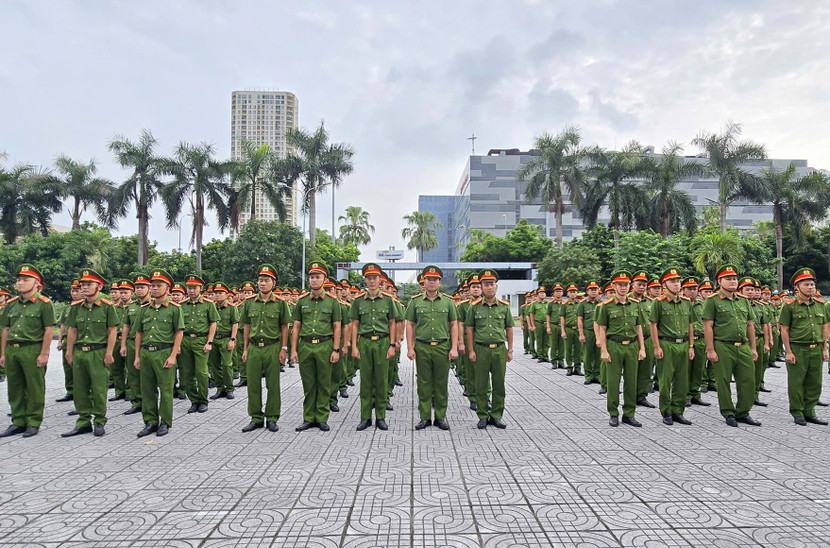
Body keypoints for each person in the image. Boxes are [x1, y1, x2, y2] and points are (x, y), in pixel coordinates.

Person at [61, 269, 119, 437]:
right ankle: (83, 421)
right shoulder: (76, 307)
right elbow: (72, 330)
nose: (84, 288)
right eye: (82, 285)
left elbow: (112, 331)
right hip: (80, 352)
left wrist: (109, 353)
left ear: (99, 286)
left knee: (99, 389)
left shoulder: (107, 306)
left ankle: (99, 421)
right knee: (80, 389)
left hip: (98, 352)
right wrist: (69, 352)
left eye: (88, 284)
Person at [0, 264, 56, 438]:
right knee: (14, 387)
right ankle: (18, 421)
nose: (20, 283)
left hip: (32, 349)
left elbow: (49, 329)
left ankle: (33, 421)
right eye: (18, 280)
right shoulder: (11, 304)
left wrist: (45, 353)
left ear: (36, 283)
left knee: (34, 387)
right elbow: (6, 329)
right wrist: (2, 353)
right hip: (13, 349)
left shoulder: (44, 304)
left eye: (25, 280)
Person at [702, 265, 761, 427]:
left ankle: (743, 411)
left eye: (734, 278)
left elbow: (750, 325)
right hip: (723, 345)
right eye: (728, 279)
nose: (733, 281)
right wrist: (710, 349)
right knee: (724, 381)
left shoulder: (743, 301)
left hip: (743, 346)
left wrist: (753, 348)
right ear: (720, 281)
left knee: (748, 380)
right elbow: (708, 326)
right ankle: (728, 412)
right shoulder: (712, 300)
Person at [406, 265, 459, 430]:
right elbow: (410, 325)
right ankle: (424, 418)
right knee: (423, 383)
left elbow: (454, 325)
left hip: (442, 347)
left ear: (439, 282)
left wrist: (454, 347)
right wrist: (410, 347)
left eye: (435, 279)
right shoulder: (415, 301)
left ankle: (440, 417)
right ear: (424, 281)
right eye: (428, 279)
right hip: (422, 347)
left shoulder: (448, 302)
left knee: (441, 383)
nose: (431, 282)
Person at [291, 264, 342, 432]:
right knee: (308, 383)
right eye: (312, 276)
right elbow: (296, 326)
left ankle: (321, 417)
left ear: (324, 280)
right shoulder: (302, 301)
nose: (314, 279)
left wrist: (335, 349)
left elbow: (336, 326)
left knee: (324, 383)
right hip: (305, 345)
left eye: (318, 276)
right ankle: (308, 417)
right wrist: (293, 350)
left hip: (325, 345)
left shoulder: (332, 302)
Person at [134, 270, 185, 437]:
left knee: (166, 389)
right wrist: (136, 356)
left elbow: (179, 332)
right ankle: (150, 421)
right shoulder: (144, 309)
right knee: (147, 389)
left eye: (159, 286)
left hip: (164, 352)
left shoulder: (174, 309)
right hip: (146, 352)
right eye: (153, 286)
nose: (155, 289)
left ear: (167, 288)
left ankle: (165, 421)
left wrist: (173, 355)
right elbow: (139, 333)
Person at [241, 264, 290, 433]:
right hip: (254, 347)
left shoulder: (280, 303)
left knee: (273, 384)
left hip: (272, 347)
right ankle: (255, 417)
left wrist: (284, 348)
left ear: (273, 283)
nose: (262, 283)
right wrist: (245, 349)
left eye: (266, 280)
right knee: (253, 384)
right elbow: (246, 326)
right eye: (260, 280)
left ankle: (272, 417)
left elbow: (285, 326)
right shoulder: (249, 303)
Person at [778, 268, 830, 426]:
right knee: (797, 382)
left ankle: (810, 411)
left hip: (815, 348)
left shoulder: (821, 305)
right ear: (797, 287)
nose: (810, 287)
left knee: (815, 382)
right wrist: (788, 351)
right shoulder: (789, 306)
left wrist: (825, 348)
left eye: (812, 284)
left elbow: (824, 326)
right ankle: (798, 412)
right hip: (798, 348)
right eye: (806, 284)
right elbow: (784, 329)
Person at [595, 271, 646, 427]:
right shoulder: (606, 306)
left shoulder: (635, 305)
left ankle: (629, 414)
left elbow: (639, 327)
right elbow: (602, 328)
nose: (623, 287)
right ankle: (613, 413)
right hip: (613, 345)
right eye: (620, 285)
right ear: (614, 286)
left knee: (631, 381)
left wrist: (642, 348)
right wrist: (603, 350)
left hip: (631, 346)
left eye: (626, 285)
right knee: (613, 381)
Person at [350, 263, 398, 431]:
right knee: (365, 381)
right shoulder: (357, 302)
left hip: (383, 342)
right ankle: (365, 417)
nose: (371, 281)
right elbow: (354, 324)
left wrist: (392, 345)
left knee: (381, 380)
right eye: (368, 278)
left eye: (374, 278)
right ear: (365, 280)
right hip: (365, 342)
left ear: (380, 280)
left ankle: (380, 417)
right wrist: (354, 346)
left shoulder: (388, 300)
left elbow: (392, 323)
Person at [465, 269, 513, 429]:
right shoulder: (474, 307)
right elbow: (470, 329)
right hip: (481, 349)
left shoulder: (504, 307)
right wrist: (471, 350)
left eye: (491, 284)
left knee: (499, 384)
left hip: (499, 349)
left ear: (496, 286)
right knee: (481, 384)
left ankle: (497, 415)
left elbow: (509, 328)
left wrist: (510, 350)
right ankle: (483, 415)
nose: (489, 287)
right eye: (485, 284)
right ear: (482, 287)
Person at [649, 268, 695, 426]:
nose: (676, 284)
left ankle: (678, 411)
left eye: (677, 281)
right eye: (672, 281)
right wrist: (656, 346)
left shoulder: (686, 303)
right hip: (666, 344)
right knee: (665, 380)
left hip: (683, 344)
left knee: (682, 381)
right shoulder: (659, 302)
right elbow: (653, 325)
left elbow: (690, 324)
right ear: (664, 284)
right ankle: (666, 410)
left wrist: (691, 345)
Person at [178, 274, 219, 414]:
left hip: (201, 341)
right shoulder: (181, 306)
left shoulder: (208, 304)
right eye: (189, 288)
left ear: (200, 288)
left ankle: (203, 400)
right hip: (185, 340)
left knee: (201, 372)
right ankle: (193, 400)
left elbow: (213, 323)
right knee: (187, 372)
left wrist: (210, 342)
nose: (191, 290)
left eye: (194, 288)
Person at [120, 275, 150, 416]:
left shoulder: (153, 305)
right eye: (137, 288)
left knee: (147, 375)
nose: (139, 290)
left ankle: (148, 402)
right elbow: (126, 326)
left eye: (142, 287)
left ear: (149, 289)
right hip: (132, 342)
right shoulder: (131, 307)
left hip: (148, 343)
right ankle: (136, 402)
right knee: (132, 374)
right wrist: (123, 345)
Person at [682, 277, 711, 408]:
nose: (693, 292)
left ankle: (695, 394)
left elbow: (708, 323)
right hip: (686, 341)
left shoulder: (703, 304)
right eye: (689, 289)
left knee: (699, 369)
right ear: (683, 290)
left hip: (701, 340)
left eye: (695, 289)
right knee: (686, 369)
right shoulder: (682, 303)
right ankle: (686, 395)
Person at [208, 282, 239, 400]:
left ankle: (230, 388)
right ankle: (220, 388)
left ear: (226, 294)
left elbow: (235, 324)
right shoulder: (211, 307)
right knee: (215, 366)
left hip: (226, 338)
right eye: (216, 293)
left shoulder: (232, 308)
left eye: (221, 293)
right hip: (213, 339)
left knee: (227, 365)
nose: (218, 295)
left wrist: (232, 339)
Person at [631, 271, 656, 409]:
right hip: (632, 340)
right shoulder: (627, 300)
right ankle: (630, 397)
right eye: (639, 284)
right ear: (632, 285)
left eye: (644, 285)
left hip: (648, 340)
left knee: (646, 370)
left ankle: (641, 396)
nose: (641, 287)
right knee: (631, 370)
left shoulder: (651, 303)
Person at [56, 279, 82, 404]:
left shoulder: (83, 307)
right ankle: (70, 391)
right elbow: (63, 325)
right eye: (73, 290)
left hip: (78, 342)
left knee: (78, 369)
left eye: (77, 290)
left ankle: (80, 394)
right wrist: (60, 341)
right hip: (67, 341)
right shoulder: (68, 307)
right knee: (67, 368)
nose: (74, 293)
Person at [577, 281, 601, 385]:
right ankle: (589, 375)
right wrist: (581, 334)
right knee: (587, 354)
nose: (594, 292)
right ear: (587, 291)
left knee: (598, 354)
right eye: (591, 290)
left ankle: (597, 374)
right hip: (588, 331)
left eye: (595, 290)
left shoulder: (601, 304)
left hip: (600, 332)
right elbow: (580, 320)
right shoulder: (582, 304)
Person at [560, 284, 582, 375]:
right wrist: (563, 331)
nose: (573, 294)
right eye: (571, 292)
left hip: (577, 329)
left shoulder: (580, 304)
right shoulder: (564, 305)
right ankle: (569, 367)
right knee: (568, 349)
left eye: (574, 292)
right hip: (568, 329)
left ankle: (578, 368)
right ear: (568, 294)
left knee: (578, 349)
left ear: (577, 293)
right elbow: (562, 318)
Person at [547, 284, 565, 369]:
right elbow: (548, 315)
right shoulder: (551, 304)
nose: (559, 293)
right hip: (554, 325)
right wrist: (548, 326)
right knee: (553, 344)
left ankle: (561, 361)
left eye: (560, 291)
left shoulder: (565, 303)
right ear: (554, 293)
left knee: (562, 345)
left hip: (562, 326)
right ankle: (554, 361)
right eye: (557, 291)